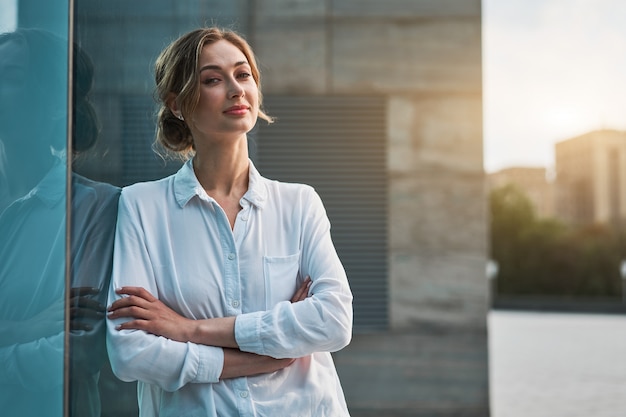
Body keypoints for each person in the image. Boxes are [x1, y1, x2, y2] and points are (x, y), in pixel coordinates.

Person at [105, 27, 353, 416]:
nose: (237, 89)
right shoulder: (141, 206)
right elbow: (131, 353)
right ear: (177, 104)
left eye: (243, 74)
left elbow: (334, 321)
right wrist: (263, 353)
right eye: (213, 80)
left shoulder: (299, 203)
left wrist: (188, 330)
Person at [0, 28, 121, 417]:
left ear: (54, 102)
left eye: (10, 76)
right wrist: (26, 328)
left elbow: (78, 353)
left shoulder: (95, 207)